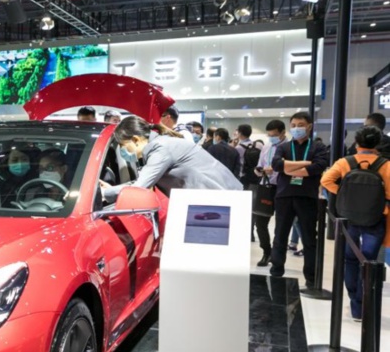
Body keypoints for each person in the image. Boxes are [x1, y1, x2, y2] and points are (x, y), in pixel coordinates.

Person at [321, 126, 390, 321]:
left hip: (349, 217)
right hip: (375, 218)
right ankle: (364, 302)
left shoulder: (345, 162)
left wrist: (343, 194)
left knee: (350, 259)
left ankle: (354, 302)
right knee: (368, 260)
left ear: (357, 143)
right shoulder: (385, 165)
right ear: (377, 144)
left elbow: (326, 180)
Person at [99, 115, 242, 200]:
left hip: (221, 200)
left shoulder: (159, 149)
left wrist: (104, 193)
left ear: (136, 140)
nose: (123, 150)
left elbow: (139, 187)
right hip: (222, 196)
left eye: (123, 145)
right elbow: (143, 180)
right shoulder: (163, 143)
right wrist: (114, 189)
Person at [269, 112, 329, 289]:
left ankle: (311, 278)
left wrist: (290, 167)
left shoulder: (318, 147)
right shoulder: (284, 146)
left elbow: (319, 166)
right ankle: (276, 270)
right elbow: (277, 165)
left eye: (300, 124)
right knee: (280, 234)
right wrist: (305, 164)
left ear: (309, 126)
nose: (296, 128)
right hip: (284, 196)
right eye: (293, 125)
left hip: (307, 197)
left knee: (309, 239)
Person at [253, 120, 286, 267]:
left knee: (281, 225)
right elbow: (260, 165)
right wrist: (258, 170)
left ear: (283, 133)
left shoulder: (287, 147)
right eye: (269, 134)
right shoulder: (266, 147)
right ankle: (267, 251)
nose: (271, 137)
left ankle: (278, 255)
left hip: (282, 189)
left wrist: (277, 169)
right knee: (260, 223)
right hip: (265, 187)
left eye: (274, 135)